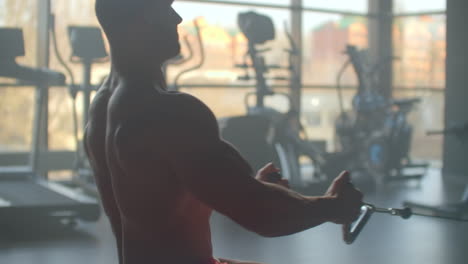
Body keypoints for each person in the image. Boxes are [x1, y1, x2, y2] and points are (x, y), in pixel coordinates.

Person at [84, 1, 363, 264]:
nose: (177, 19)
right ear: (137, 22)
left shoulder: (103, 106)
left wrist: (246, 188)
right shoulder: (168, 112)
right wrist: (333, 207)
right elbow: (261, 215)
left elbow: (159, 201)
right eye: (164, 9)